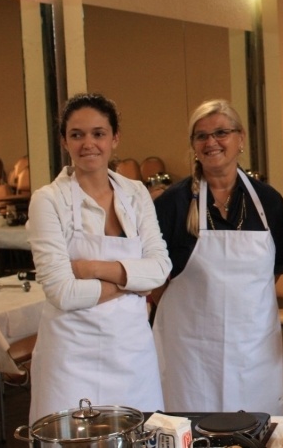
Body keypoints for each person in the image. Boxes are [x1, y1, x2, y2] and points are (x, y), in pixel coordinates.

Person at [26, 93, 171, 422]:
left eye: (98, 133)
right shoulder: (48, 200)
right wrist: (132, 283)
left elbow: (161, 269)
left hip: (132, 352)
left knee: (141, 434)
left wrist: (90, 268)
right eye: (77, 134)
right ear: (65, 141)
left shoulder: (135, 194)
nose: (88, 143)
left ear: (115, 138)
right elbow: (62, 292)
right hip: (70, 357)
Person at [152, 99, 283, 414]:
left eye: (221, 133)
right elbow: (154, 282)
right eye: (201, 136)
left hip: (254, 350)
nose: (211, 142)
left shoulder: (268, 202)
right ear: (193, 146)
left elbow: (273, 273)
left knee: (256, 430)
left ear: (240, 138)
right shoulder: (172, 204)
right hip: (190, 354)